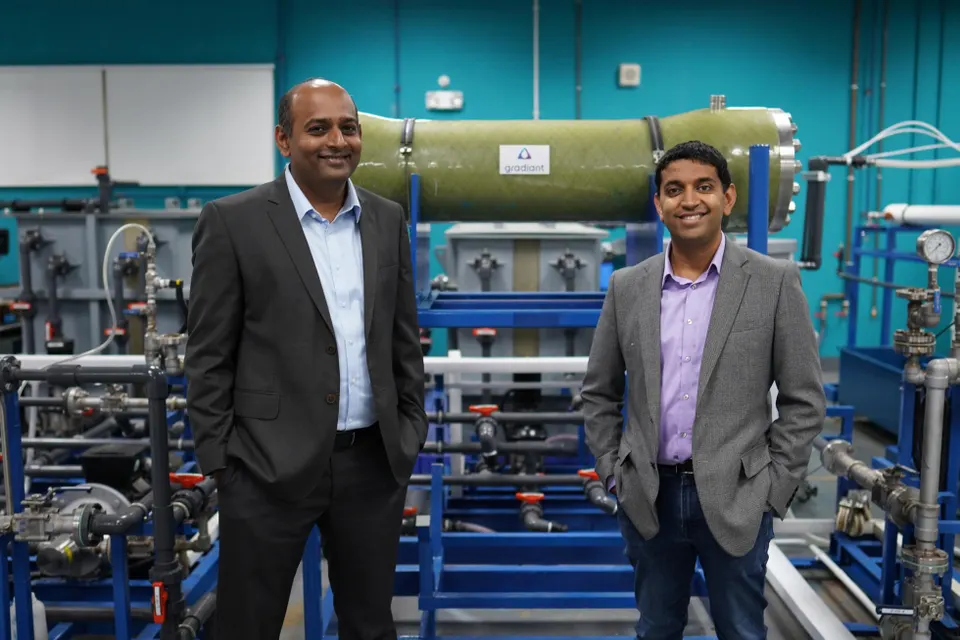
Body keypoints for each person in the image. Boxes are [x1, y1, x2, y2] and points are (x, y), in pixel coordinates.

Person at [184, 78, 427, 640]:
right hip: (265, 467)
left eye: (348, 127)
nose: (336, 140)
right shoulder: (233, 221)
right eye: (317, 128)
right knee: (249, 623)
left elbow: (402, 336)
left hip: (370, 461)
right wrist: (223, 463)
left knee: (369, 623)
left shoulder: (386, 219)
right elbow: (208, 354)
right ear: (284, 139)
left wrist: (409, 430)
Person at [580, 140, 825, 639]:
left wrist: (773, 489)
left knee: (740, 629)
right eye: (674, 190)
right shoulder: (627, 287)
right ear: (659, 204)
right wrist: (614, 474)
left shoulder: (773, 282)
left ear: (728, 198)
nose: (688, 200)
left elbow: (804, 398)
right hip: (650, 496)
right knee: (656, 628)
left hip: (739, 495)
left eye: (703, 187)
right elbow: (598, 392)